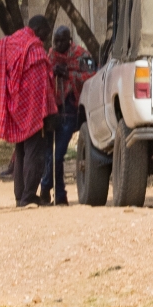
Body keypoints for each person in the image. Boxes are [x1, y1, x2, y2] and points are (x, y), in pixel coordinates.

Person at [0, 15, 56, 207]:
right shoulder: (35, 49)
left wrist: (8, 87)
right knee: (34, 151)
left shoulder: (7, 43)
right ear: (39, 29)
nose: (45, 38)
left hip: (13, 106)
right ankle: (28, 196)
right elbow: (44, 84)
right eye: (46, 33)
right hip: (33, 109)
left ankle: (20, 196)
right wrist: (49, 112)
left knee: (20, 151)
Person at [38, 25, 93, 206]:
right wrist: (53, 72)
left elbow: (91, 75)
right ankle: (60, 195)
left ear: (70, 41)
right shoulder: (51, 56)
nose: (58, 44)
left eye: (62, 41)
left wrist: (69, 74)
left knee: (58, 154)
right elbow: (42, 76)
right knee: (48, 154)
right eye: (56, 41)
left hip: (70, 110)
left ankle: (45, 187)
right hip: (51, 110)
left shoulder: (80, 54)